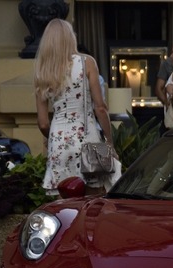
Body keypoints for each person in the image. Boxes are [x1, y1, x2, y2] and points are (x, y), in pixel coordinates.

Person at [34, 19, 119, 197]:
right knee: (92, 203)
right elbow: (100, 108)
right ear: (70, 38)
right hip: (87, 140)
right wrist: (109, 143)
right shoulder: (86, 62)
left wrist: (51, 136)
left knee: (63, 207)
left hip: (58, 142)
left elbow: (42, 123)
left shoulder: (42, 71)